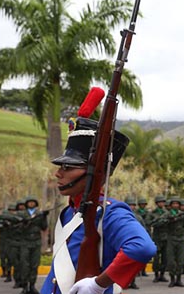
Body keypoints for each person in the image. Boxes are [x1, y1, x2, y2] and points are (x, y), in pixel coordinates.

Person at [40, 116, 156, 294]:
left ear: (93, 173)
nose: (58, 173)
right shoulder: (68, 212)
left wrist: (98, 284)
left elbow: (142, 247)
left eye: (68, 167)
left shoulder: (109, 211)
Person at [161, 196, 184, 287]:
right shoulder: (167, 214)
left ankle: (179, 279)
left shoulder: (183, 214)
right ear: (171, 205)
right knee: (171, 261)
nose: (175, 205)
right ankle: (172, 279)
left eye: (177, 204)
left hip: (181, 239)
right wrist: (169, 220)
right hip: (171, 239)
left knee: (180, 260)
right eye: (173, 204)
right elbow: (161, 223)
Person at [123, 197, 143, 290]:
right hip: (124, 241)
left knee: (134, 262)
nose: (132, 207)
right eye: (130, 205)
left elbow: (144, 229)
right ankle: (125, 282)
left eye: (133, 205)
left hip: (135, 242)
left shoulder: (138, 217)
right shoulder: (121, 215)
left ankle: (133, 282)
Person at [149, 195, 169, 283]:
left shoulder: (167, 213)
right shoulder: (152, 213)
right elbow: (148, 223)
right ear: (157, 203)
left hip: (166, 237)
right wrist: (157, 222)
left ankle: (162, 274)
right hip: (157, 237)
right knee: (156, 258)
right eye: (160, 202)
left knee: (165, 257)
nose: (162, 203)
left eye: (163, 202)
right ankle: (156, 275)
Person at [135, 197, 151, 276]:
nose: (143, 206)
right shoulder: (136, 214)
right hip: (138, 234)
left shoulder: (148, 213)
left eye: (144, 204)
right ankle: (137, 270)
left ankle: (143, 270)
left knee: (145, 253)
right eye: (141, 204)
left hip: (147, 233)